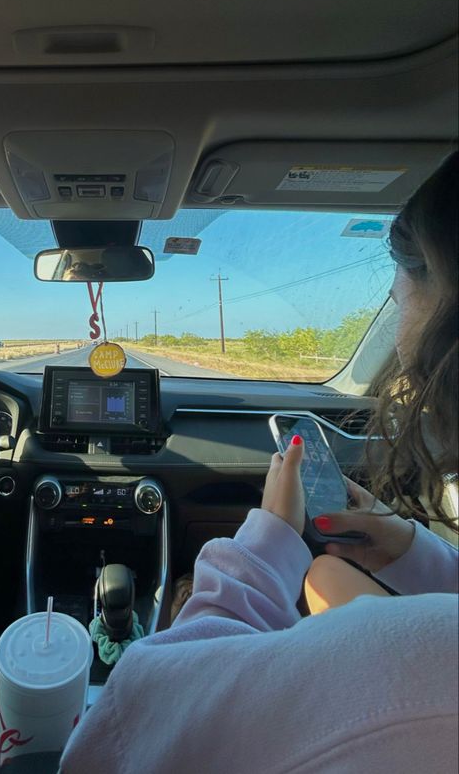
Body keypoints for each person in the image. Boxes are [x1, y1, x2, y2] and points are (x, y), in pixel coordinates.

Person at [61, 152, 458, 774]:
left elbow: (142, 712)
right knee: (324, 579)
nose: (392, 292)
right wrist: (417, 551)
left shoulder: (397, 673)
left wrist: (265, 542)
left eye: (403, 280)